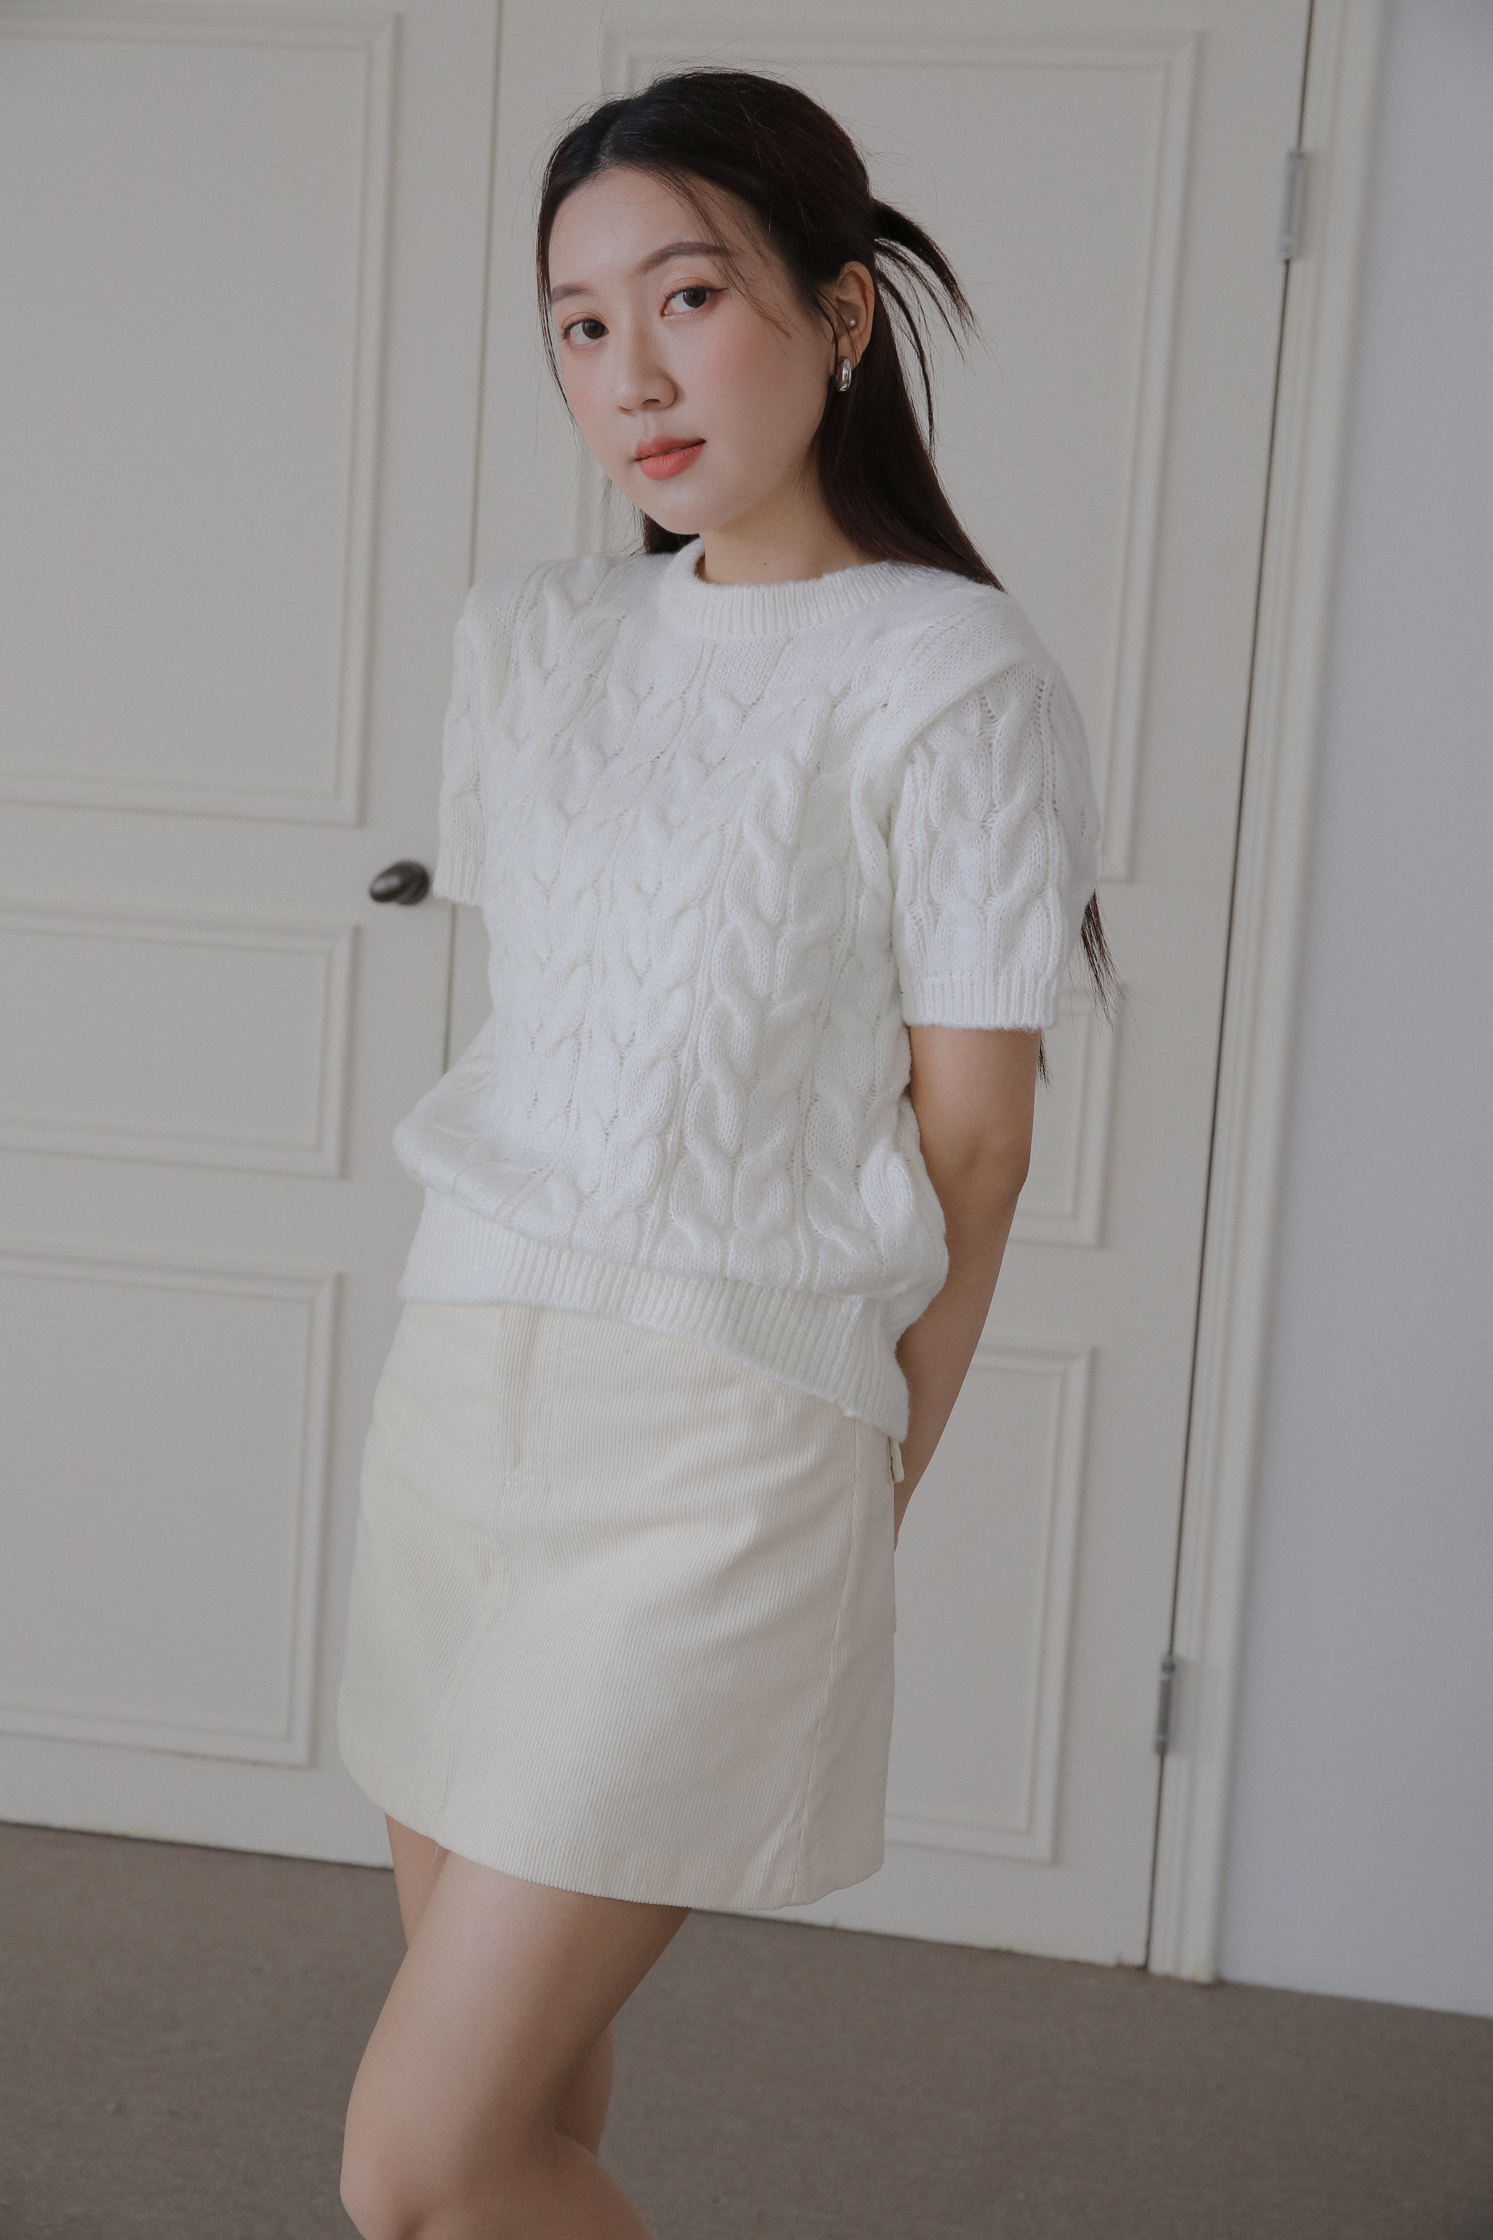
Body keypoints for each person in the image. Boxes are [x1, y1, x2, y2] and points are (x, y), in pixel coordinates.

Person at [336, 66, 1108, 2240]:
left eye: (689, 297)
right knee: (528, 2108)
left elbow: (974, 1147)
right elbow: (575, 1037)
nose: (634, 375)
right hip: (460, 1394)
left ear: (842, 313)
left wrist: (877, 1460)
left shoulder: (952, 673)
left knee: (418, 2168)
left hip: (719, 1443)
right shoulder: (530, 637)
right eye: (581, 325)